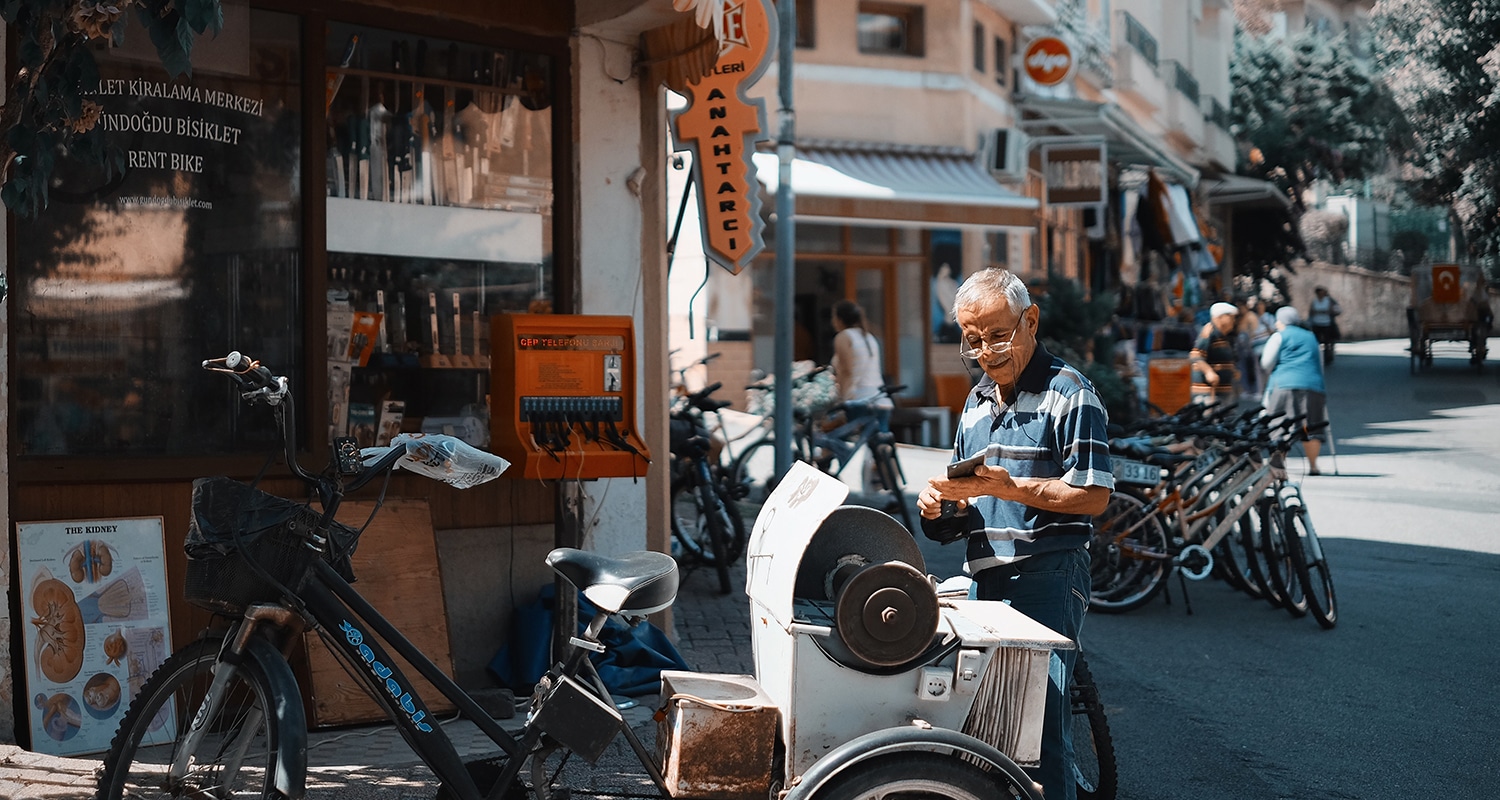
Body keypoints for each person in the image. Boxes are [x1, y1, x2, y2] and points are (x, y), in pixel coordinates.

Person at [916, 268, 1113, 800]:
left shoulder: (1069, 393)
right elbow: (965, 510)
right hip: (984, 583)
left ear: (1031, 321)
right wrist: (938, 508)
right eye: (973, 340)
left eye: (998, 335)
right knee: (990, 731)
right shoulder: (977, 401)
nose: (986, 351)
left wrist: (1013, 489)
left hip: (1047, 578)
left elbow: (1094, 495)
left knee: (1043, 733)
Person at [1261, 306, 1330, 475]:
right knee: (1311, 426)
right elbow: (1319, 363)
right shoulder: (1311, 337)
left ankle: (1279, 464)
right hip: (1313, 385)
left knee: (1279, 425)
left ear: (1281, 321)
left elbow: (1266, 363)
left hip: (1284, 385)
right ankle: (1313, 466)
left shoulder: (1279, 336)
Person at [830, 299, 893, 429]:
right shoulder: (868, 337)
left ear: (840, 319)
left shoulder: (844, 336)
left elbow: (847, 371)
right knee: (879, 446)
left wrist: (841, 401)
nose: (832, 321)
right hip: (881, 400)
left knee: (847, 444)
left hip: (859, 400)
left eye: (834, 317)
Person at [1190, 301, 1241, 406]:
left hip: (1223, 391)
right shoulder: (1209, 331)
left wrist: (1232, 371)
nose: (1234, 321)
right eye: (1231, 317)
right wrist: (1208, 372)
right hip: (1209, 393)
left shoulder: (1224, 336)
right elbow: (1196, 355)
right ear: (1220, 317)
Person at [1308, 285, 1342, 365]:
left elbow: (1336, 310)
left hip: (1327, 324)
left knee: (1328, 341)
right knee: (1316, 342)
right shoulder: (1314, 301)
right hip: (1316, 323)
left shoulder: (1329, 301)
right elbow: (1311, 311)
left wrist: (1328, 312)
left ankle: (1328, 357)